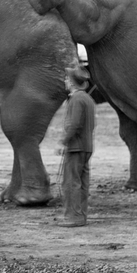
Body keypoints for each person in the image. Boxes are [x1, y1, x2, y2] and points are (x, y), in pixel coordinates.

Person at [56, 64, 96, 227]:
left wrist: (63, 141)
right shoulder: (87, 98)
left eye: (67, 78)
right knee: (82, 182)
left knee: (71, 182)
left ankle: (73, 217)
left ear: (72, 83)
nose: (65, 81)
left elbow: (74, 124)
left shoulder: (76, 99)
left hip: (76, 147)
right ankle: (80, 215)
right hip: (86, 146)